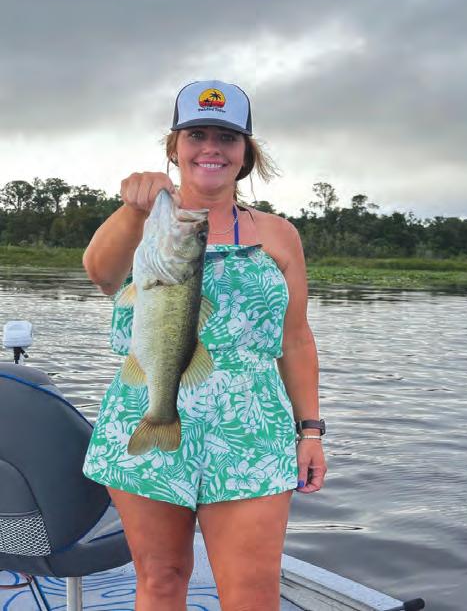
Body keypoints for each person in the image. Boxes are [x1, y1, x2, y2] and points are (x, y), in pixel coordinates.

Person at [82, 80, 327, 611]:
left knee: (252, 592)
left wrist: (310, 430)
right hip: (146, 410)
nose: (211, 148)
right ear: (174, 147)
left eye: (227, 137)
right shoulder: (146, 222)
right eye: (196, 135)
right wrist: (133, 210)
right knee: (161, 579)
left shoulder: (279, 234)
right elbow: (102, 275)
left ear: (245, 153)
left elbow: (296, 338)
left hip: (252, 427)